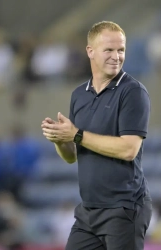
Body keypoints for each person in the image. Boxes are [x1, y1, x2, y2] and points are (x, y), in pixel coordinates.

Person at [41, 21, 152, 250]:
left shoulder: (133, 92)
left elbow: (129, 150)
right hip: (88, 211)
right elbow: (72, 156)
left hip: (124, 208)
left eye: (121, 50)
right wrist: (60, 139)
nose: (116, 56)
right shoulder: (79, 95)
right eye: (109, 50)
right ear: (90, 51)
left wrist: (77, 134)